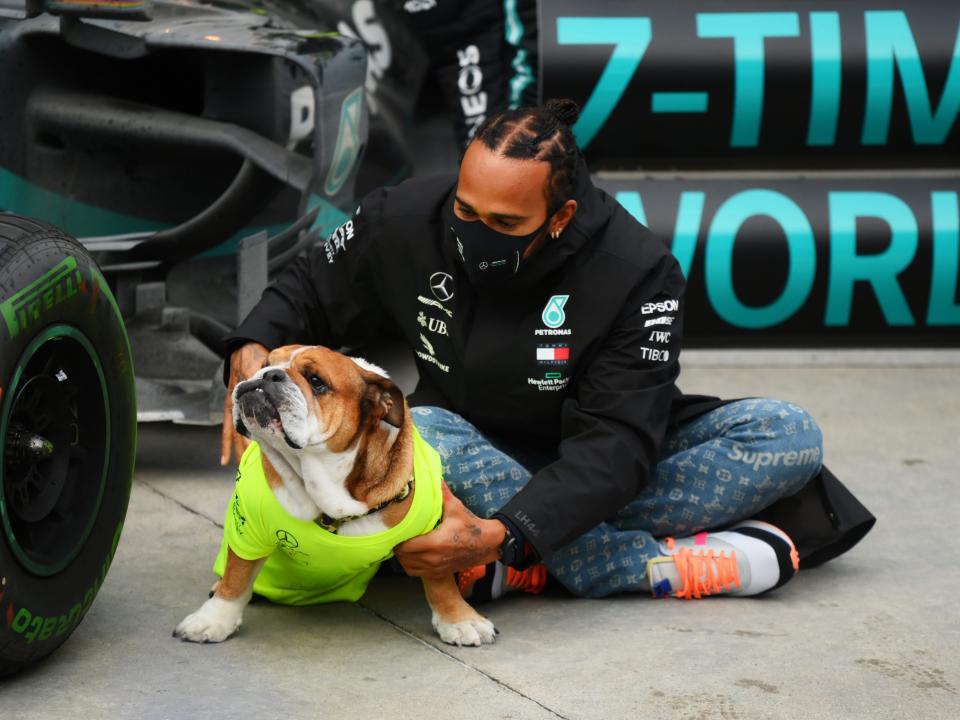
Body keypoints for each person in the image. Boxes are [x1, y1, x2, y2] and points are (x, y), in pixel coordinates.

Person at [220, 99, 874, 602]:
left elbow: (618, 442)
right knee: (430, 435)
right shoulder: (401, 215)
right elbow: (308, 284)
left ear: (560, 218)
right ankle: (647, 567)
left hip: (591, 464)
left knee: (787, 433)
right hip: (456, 453)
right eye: (465, 211)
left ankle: (516, 563)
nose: (475, 232)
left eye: (504, 224)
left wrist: (508, 531)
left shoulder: (638, 269)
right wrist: (249, 348)